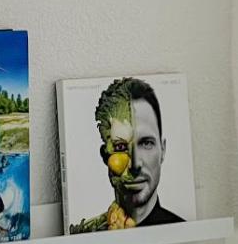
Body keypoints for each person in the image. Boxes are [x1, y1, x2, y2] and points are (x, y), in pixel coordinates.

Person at [69, 77, 185, 233]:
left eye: (146, 143)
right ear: (104, 155)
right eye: (120, 147)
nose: (135, 164)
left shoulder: (182, 231)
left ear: (162, 150)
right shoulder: (86, 232)